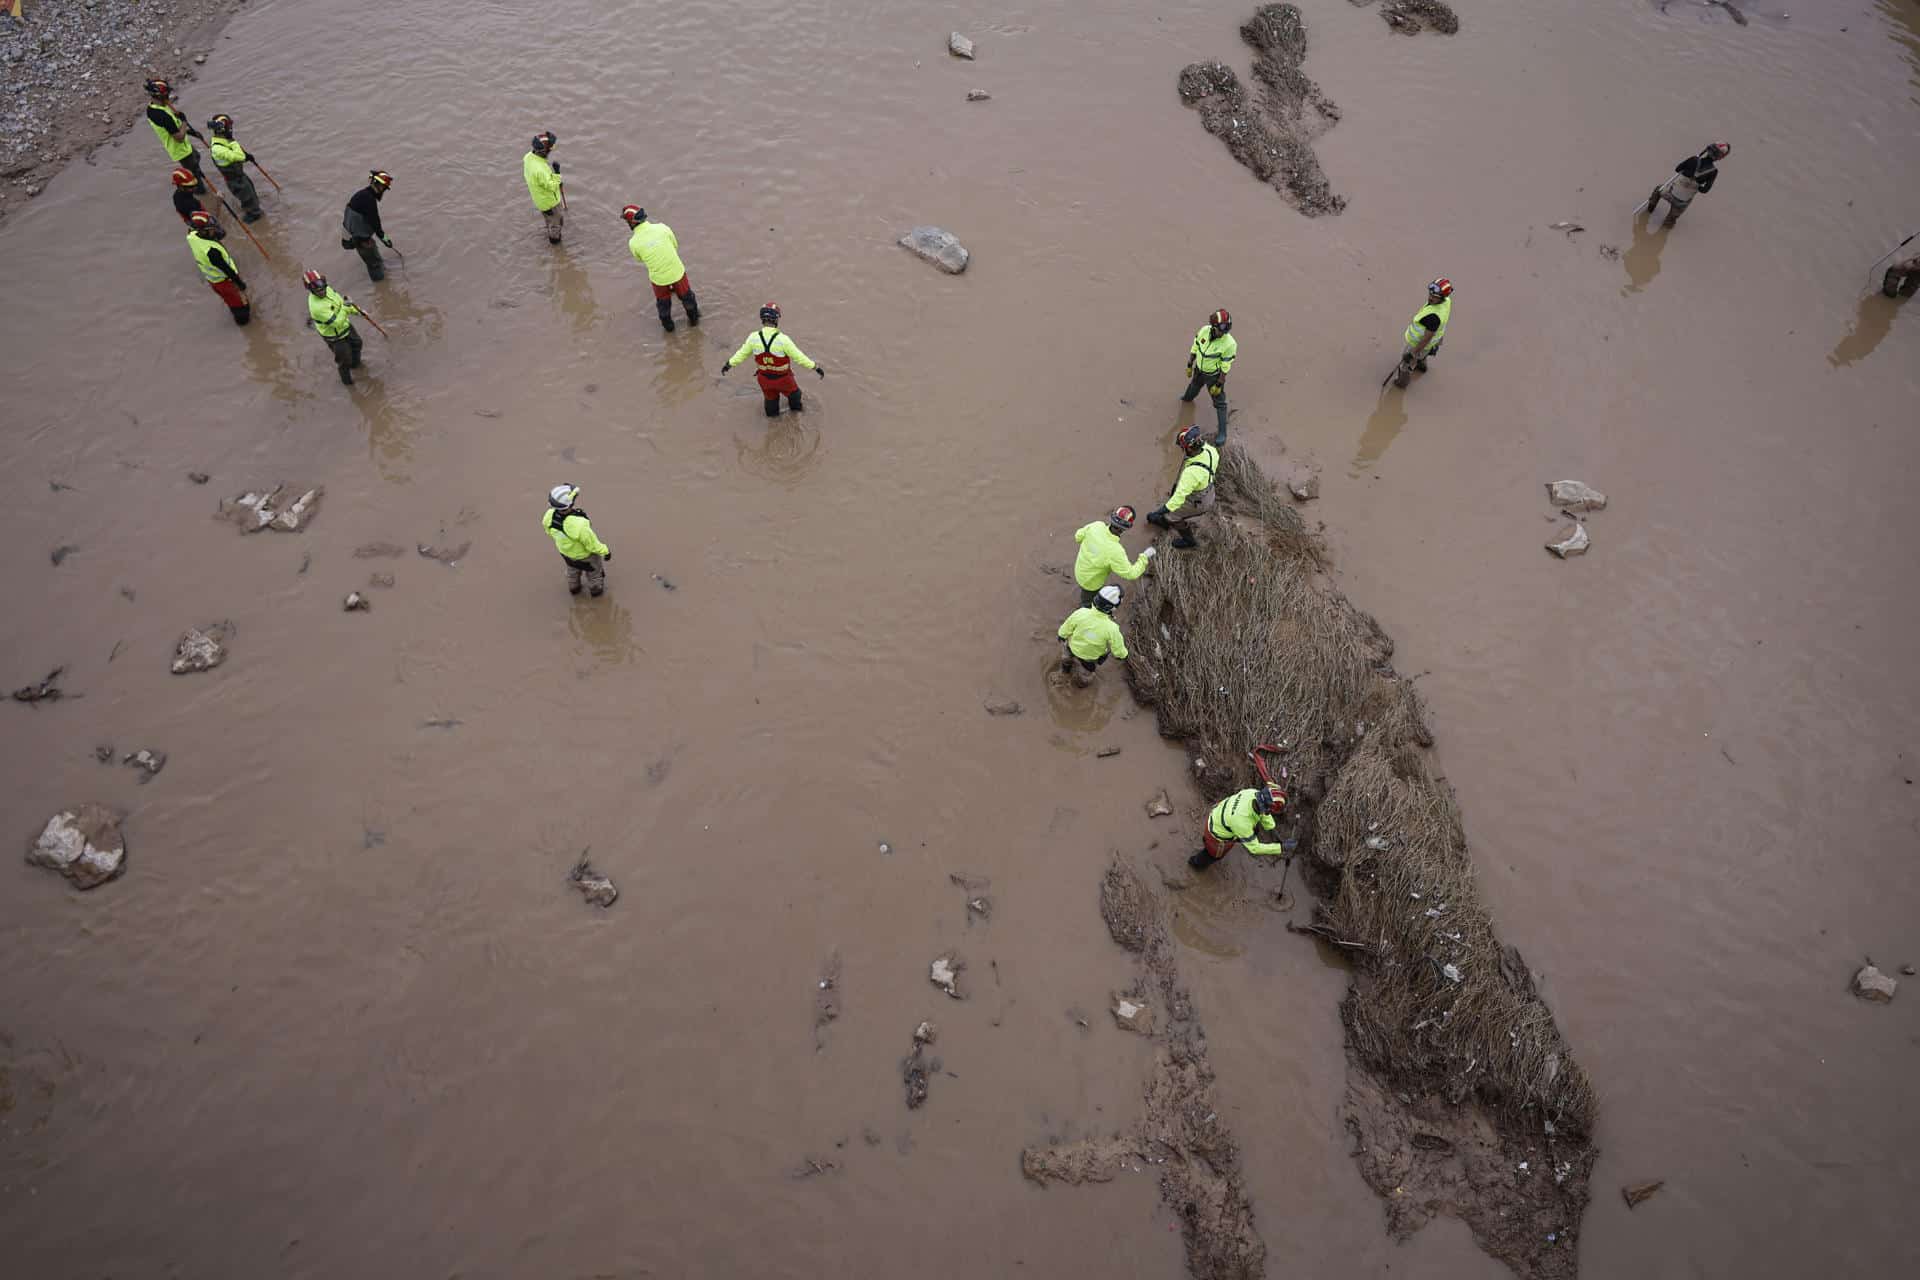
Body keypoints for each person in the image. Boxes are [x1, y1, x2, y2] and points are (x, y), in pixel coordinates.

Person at [722, 303, 825, 416]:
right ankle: (795, 416)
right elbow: (800, 358)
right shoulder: (783, 340)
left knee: (770, 400)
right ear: (776, 319)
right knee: (795, 395)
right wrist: (816, 367)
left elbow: (740, 355)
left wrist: (728, 365)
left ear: (762, 319)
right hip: (784, 380)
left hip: (764, 380)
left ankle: (772, 421)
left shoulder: (753, 337)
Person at [622, 205, 699, 329]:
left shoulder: (633, 242)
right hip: (676, 272)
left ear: (630, 222)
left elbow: (639, 259)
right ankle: (694, 321)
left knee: (663, 304)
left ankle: (669, 328)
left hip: (659, 279)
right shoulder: (662, 228)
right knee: (687, 297)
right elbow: (674, 245)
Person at [1145, 426, 1219, 549]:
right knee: (1172, 509)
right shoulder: (1210, 450)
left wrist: (1158, 513)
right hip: (1209, 491)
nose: (1181, 449)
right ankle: (1167, 522)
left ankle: (1189, 541)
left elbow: (1177, 500)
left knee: (1172, 516)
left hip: (1199, 502)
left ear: (1189, 448)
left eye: (1182, 447)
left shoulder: (1190, 474)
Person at [1187, 785, 1289, 871]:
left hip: (1219, 815)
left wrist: (1271, 828)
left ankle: (1205, 848)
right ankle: (1196, 864)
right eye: (1270, 811)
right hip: (1217, 834)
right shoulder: (1242, 823)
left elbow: (1264, 813)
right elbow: (1255, 848)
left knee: (1252, 830)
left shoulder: (1252, 793)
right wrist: (1281, 848)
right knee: (1212, 856)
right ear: (1266, 808)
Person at [1072, 506, 1155, 606]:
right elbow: (1131, 574)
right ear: (1126, 528)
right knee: (1088, 603)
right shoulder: (1116, 551)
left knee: (1085, 592)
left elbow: (1078, 536)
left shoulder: (1096, 525)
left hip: (1079, 570)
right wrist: (1144, 557)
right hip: (1091, 583)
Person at [542, 485, 612, 597]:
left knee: (572, 571)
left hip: (566, 553)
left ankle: (574, 588)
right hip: (586, 557)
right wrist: (605, 551)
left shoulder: (548, 516)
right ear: (569, 504)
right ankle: (596, 590)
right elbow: (592, 545)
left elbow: (549, 532)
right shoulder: (579, 525)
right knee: (594, 574)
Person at [1180, 309, 1236, 446]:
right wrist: (1189, 364)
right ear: (1213, 327)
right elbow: (1195, 346)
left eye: (1226, 330)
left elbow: (1226, 365)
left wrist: (1219, 383)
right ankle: (1186, 400)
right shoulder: (1204, 331)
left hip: (1214, 376)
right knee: (1193, 387)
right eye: (1221, 330)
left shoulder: (1229, 343)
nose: (1223, 333)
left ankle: (1222, 432)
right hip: (1199, 370)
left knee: (1220, 403)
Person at [1057, 583, 1129, 688]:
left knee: (1066, 659)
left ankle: (1064, 671)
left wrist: (1061, 635)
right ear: (1112, 609)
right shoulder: (1112, 629)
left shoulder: (1081, 612)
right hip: (1089, 658)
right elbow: (1118, 650)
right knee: (1086, 675)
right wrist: (1123, 655)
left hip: (1071, 647)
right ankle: (1080, 684)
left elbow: (1066, 627)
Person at [185, 211, 249, 326]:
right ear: (204, 231)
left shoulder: (191, 236)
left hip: (213, 280)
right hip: (224, 281)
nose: (215, 230)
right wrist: (240, 284)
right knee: (239, 305)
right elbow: (227, 270)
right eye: (212, 229)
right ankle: (242, 321)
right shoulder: (212, 252)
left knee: (229, 299)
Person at [1646, 142, 1730, 229]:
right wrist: (1696, 185)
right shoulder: (1713, 171)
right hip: (1682, 203)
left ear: (1707, 150)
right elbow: (1705, 190)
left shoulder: (1693, 159)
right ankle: (1666, 227)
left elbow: (1677, 169)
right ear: (1719, 158)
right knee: (1670, 221)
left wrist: (1688, 170)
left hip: (1670, 193)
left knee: (1658, 189)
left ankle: (1649, 210)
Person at [303, 270, 365, 386]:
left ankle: (356, 365)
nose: (321, 291)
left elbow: (342, 303)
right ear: (310, 290)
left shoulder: (329, 290)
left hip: (346, 326)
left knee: (358, 343)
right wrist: (347, 307)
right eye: (317, 289)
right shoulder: (317, 307)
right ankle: (348, 383)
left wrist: (358, 311)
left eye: (323, 287)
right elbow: (337, 323)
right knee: (344, 361)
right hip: (335, 337)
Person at [144, 78, 206, 191]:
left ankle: (195, 173)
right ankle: (198, 190)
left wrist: (191, 132)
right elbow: (179, 138)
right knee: (194, 174)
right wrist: (184, 122)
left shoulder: (155, 106)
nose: (168, 96)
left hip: (184, 145)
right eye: (166, 94)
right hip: (180, 150)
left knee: (197, 157)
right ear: (158, 95)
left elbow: (174, 126)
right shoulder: (161, 115)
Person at [1394, 277, 1453, 388]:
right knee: (1424, 353)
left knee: (1405, 365)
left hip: (1419, 343)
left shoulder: (1433, 317)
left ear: (1442, 297)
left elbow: (1426, 338)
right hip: (1436, 338)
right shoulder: (1447, 302)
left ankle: (1401, 383)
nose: (1430, 298)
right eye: (1430, 294)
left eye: (1434, 297)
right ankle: (1421, 366)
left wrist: (1412, 353)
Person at [205, 115, 263, 222]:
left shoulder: (223, 140)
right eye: (229, 127)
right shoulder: (218, 148)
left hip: (239, 175)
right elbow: (239, 156)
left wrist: (246, 157)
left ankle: (253, 209)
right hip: (234, 180)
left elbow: (236, 156)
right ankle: (253, 214)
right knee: (247, 197)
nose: (231, 130)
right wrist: (233, 142)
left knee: (250, 192)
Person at [342, 170, 395, 281]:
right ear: (379, 185)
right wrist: (385, 239)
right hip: (361, 240)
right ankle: (381, 289)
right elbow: (375, 223)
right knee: (374, 264)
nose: (384, 191)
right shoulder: (369, 200)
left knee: (376, 260)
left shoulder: (360, 194)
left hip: (355, 237)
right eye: (384, 188)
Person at [524, 131, 565, 244]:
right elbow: (552, 187)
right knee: (557, 221)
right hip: (550, 203)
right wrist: (557, 174)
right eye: (550, 148)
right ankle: (555, 242)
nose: (551, 150)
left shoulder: (528, 157)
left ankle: (550, 226)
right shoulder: (540, 170)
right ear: (543, 151)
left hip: (540, 200)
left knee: (549, 218)